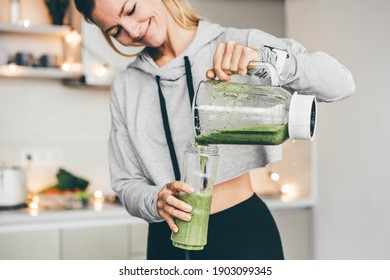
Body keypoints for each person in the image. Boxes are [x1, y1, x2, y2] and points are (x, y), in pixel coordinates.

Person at [74, 0, 355, 260]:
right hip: (166, 241)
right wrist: (154, 201)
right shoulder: (127, 86)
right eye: (116, 30)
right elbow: (126, 183)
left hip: (244, 234)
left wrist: (271, 60)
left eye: (131, 8)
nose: (132, 30)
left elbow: (342, 84)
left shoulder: (239, 45)